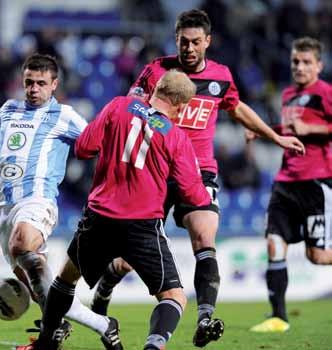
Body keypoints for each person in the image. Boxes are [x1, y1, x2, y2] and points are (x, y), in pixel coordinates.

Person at [90, 9, 305, 348]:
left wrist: (273, 137)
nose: (188, 48)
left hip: (198, 170)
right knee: (127, 260)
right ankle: (104, 289)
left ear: (208, 41)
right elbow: (131, 108)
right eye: (183, 42)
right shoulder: (157, 70)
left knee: (205, 237)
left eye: (194, 42)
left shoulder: (221, 76)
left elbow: (236, 107)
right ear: (176, 40)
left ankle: (205, 318)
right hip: (156, 169)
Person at [16, 70, 211, 350]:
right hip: (143, 225)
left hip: (100, 218)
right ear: (181, 106)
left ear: (156, 89)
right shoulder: (176, 137)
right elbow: (193, 194)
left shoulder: (119, 105)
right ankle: (153, 346)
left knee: (66, 279)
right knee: (173, 297)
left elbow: (83, 148)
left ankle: (45, 345)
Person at [0, 54, 120, 348]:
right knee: (40, 288)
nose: (34, 89)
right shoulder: (9, 109)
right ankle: (102, 324)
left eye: (41, 84)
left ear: (54, 85)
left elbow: (97, 142)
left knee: (22, 245)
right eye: (29, 83)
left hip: (37, 199)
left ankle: (52, 333)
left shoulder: (65, 116)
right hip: (2, 207)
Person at [250, 37, 332, 333]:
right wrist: (264, 133)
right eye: (296, 61)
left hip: (316, 184)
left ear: (319, 65)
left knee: (318, 257)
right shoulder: (287, 95)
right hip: (285, 183)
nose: (299, 66)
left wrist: (312, 128)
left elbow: (313, 127)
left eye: (306, 62)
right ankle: (279, 318)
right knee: (274, 244)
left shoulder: (325, 93)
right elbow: (287, 130)